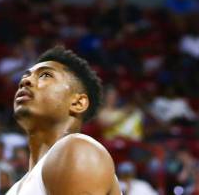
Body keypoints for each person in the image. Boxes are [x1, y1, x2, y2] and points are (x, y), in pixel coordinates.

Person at [7, 45, 120, 195]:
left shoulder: (77, 149)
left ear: (78, 103)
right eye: (25, 76)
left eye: (45, 75)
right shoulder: (15, 188)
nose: (25, 81)